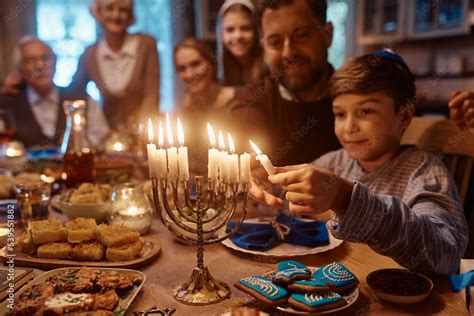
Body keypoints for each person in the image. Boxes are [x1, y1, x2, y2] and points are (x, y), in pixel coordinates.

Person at [250, 51, 468, 276]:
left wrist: (346, 199)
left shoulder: (425, 172)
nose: (349, 127)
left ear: (403, 117)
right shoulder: (334, 162)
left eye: (366, 111)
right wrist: (267, 185)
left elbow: (445, 253)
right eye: (340, 114)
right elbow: (286, 204)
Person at [227, 0, 340, 166]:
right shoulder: (251, 101)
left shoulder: (357, 99)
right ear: (264, 47)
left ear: (327, 34)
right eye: (275, 42)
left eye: (301, 36)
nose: (289, 52)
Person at [0, 37, 109, 148]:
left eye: (46, 58)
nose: (40, 65)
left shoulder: (82, 99)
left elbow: (101, 138)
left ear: (56, 63)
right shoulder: (6, 103)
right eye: (31, 60)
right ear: (20, 68)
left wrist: (79, 142)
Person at [69, 0, 160, 129]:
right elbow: (75, 91)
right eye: (109, 8)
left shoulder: (146, 45)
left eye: (123, 10)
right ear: (98, 13)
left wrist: (144, 130)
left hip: (143, 131)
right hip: (105, 135)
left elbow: (152, 94)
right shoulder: (90, 53)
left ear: (130, 15)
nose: (116, 15)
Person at [174, 37, 235, 174]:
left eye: (195, 64)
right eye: (182, 68)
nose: (190, 74)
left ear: (211, 63)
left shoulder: (236, 100)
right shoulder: (184, 108)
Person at [217, 0, 266, 86]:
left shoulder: (271, 64)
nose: (238, 36)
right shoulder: (219, 72)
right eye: (230, 30)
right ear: (221, 35)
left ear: (256, 32)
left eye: (245, 28)